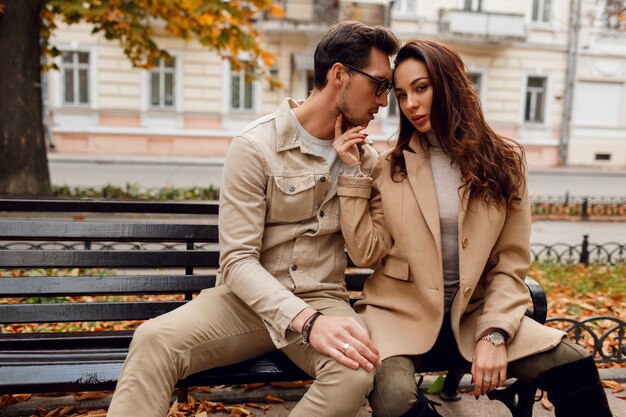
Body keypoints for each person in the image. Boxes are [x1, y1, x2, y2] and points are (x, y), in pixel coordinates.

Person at [107, 21, 401, 417]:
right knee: (153, 339)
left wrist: (352, 176)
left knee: (354, 373)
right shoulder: (256, 146)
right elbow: (237, 261)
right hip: (245, 302)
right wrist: (308, 323)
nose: (384, 102)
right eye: (380, 85)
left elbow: (367, 253)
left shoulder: (367, 161)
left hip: (321, 296)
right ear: (339, 75)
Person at [332, 40, 612, 417]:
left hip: (475, 317)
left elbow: (510, 264)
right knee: (395, 399)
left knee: (575, 366)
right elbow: (366, 252)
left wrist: (494, 333)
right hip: (400, 319)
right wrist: (352, 176)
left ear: (449, 84)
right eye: (401, 94)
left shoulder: (505, 161)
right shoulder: (391, 165)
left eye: (422, 87)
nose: (411, 104)